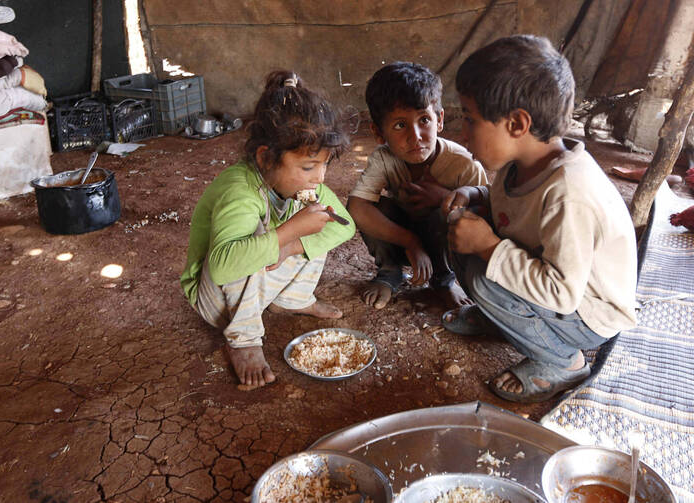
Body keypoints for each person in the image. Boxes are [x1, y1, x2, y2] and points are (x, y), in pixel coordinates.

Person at [441, 35, 637, 403]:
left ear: (517, 123)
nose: (462, 134)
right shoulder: (522, 162)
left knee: (485, 278)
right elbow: (515, 210)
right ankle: (504, 319)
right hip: (552, 285)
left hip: (587, 314)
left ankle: (564, 362)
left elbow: (561, 294)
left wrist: (487, 246)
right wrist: (474, 195)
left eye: (470, 119)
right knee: (461, 233)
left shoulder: (569, 195)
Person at [180, 70, 355, 390]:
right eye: (308, 167)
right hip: (215, 299)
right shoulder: (240, 191)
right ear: (265, 158)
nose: (319, 178)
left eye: (324, 165)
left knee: (316, 223)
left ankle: (293, 299)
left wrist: (291, 244)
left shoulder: (308, 184)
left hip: (258, 285)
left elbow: (345, 226)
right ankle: (244, 339)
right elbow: (222, 267)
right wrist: (287, 234)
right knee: (265, 236)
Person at [347, 62, 487, 310]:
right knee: (373, 206)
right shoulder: (383, 158)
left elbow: (488, 215)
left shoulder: (463, 164)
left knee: (449, 213)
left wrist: (445, 198)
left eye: (424, 120)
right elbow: (357, 207)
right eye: (400, 125)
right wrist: (410, 241)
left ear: (439, 120)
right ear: (379, 133)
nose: (416, 136)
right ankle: (390, 271)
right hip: (404, 242)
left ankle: (444, 281)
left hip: (446, 247)